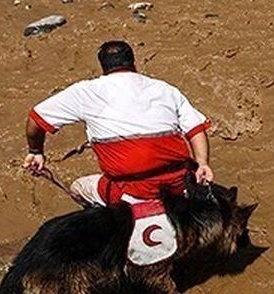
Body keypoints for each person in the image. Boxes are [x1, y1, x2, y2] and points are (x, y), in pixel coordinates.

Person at [23, 40, 213, 206]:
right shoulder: (164, 89)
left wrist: (36, 152)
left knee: (78, 187)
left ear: (103, 67)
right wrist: (203, 163)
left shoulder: (86, 91)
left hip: (130, 190)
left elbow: (36, 119)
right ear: (134, 63)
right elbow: (196, 130)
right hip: (179, 183)